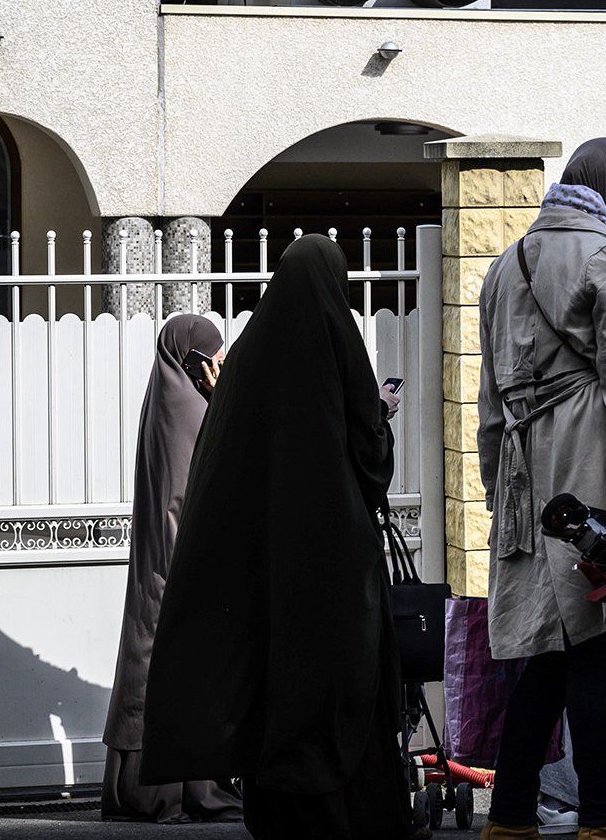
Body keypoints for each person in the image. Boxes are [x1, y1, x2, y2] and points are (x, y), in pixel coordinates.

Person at [141, 236, 416, 840]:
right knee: (341, 695)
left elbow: (222, 465)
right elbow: (370, 462)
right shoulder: (337, 350)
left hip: (265, 568)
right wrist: (379, 415)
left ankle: (280, 817)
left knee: (277, 692)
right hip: (334, 570)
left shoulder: (246, 359)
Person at [477, 137, 606, 840]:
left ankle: (509, 819)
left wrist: (498, 493)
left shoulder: (506, 264)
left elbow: (489, 402)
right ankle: (600, 822)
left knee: (547, 656)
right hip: (595, 465)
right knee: (595, 649)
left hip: (524, 476)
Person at [102, 314, 242, 823]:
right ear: (192, 359)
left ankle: (136, 790)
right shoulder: (189, 408)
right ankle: (172, 793)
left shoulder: (165, 398)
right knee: (175, 671)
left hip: (159, 566)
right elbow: (181, 503)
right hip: (178, 567)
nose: (220, 367)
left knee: (148, 668)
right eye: (215, 359)